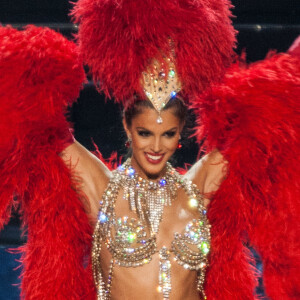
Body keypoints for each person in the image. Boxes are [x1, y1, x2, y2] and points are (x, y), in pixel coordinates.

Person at [0, 1, 299, 300]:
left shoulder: (200, 187)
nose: (156, 146)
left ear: (179, 134)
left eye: (167, 134)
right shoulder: (100, 189)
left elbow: (269, 115)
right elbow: (38, 119)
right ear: (128, 130)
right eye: (145, 133)